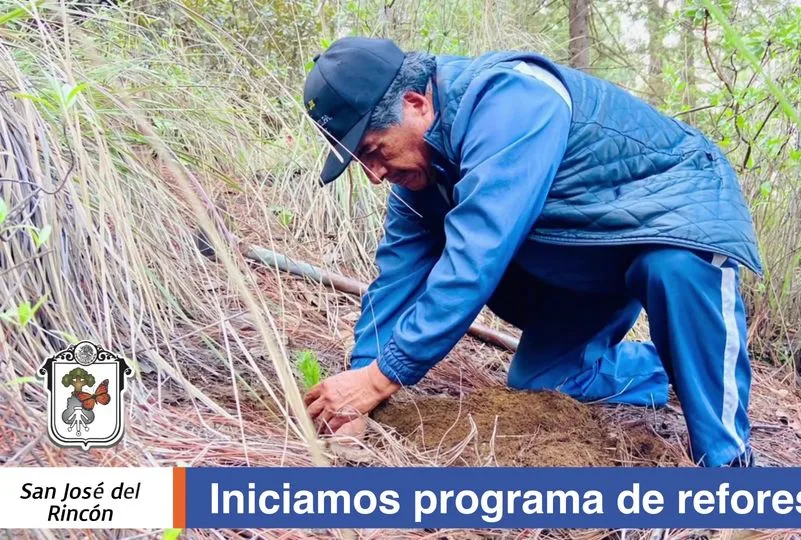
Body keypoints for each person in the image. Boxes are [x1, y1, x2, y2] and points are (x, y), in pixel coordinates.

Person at [301, 37, 762, 467]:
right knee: (543, 381)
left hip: (678, 217)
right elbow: (396, 280)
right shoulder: (421, 176)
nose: (375, 175)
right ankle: (680, 365)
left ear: (415, 104)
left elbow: (474, 259)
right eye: (362, 162)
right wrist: (358, 387)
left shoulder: (510, 100)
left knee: (672, 264)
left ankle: (733, 475)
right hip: (589, 255)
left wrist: (383, 378)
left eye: (374, 151)